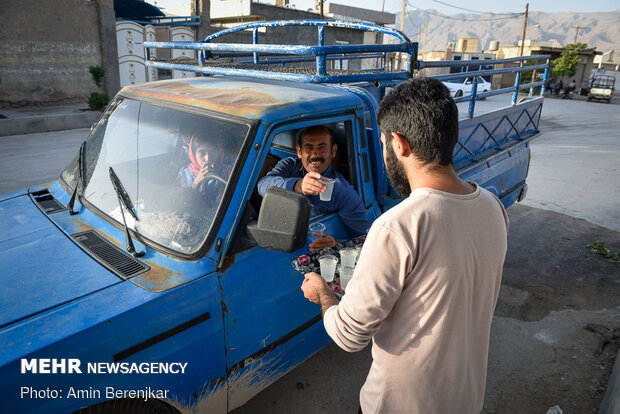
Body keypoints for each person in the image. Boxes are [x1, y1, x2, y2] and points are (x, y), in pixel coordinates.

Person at [301, 78, 509, 414]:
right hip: (467, 401)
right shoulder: (492, 207)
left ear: (399, 144)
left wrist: (323, 293)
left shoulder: (398, 226)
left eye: (383, 144)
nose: (384, 155)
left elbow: (348, 335)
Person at [257, 125, 370, 251]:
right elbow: (263, 184)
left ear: (333, 151)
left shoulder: (342, 191)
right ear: (299, 151)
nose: (315, 153)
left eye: (322, 147)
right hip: (277, 240)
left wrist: (336, 244)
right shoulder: (289, 166)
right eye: (308, 147)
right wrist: (297, 185)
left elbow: (365, 240)